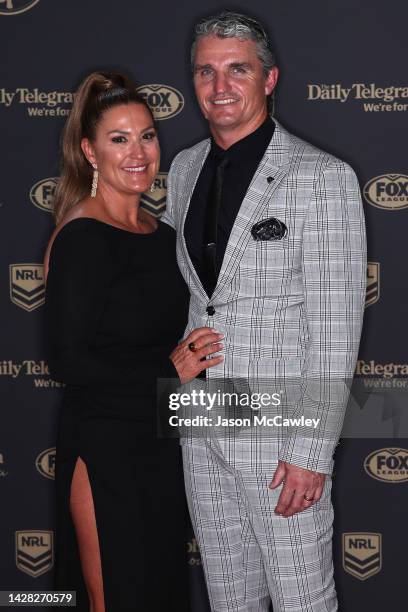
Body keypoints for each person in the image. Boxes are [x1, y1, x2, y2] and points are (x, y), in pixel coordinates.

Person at [161, 11, 367, 612]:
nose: (219, 86)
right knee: (229, 600)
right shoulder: (184, 168)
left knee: (302, 600)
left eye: (237, 70)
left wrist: (309, 453)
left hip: (280, 436)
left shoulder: (322, 178)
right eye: (206, 71)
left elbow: (333, 328)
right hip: (201, 423)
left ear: (269, 79)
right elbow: (194, 296)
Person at [43, 71, 224, 612]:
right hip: (105, 448)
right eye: (119, 139)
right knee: (114, 599)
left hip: (162, 447)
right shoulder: (82, 236)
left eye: (146, 135)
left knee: (161, 593)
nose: (138, 151)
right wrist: (164, 371)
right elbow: (68, 361)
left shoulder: (162, 235)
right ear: (89, 151)